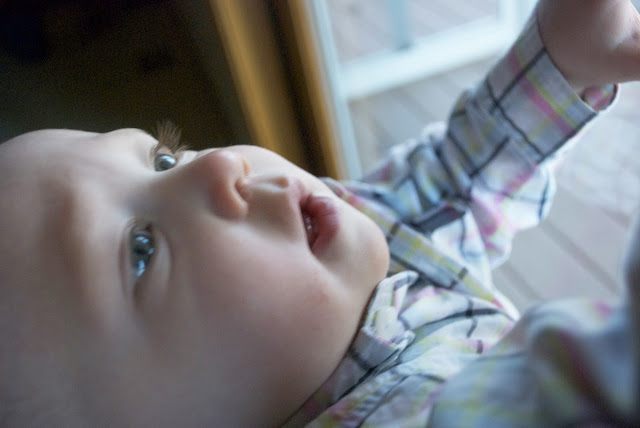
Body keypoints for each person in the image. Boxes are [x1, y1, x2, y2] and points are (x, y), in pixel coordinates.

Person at [0, 0, 638, 426]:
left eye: (162, 158)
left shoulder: (329, 241)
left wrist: (561, 63)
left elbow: (448, 185)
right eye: (141, 250)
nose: (217, 164)